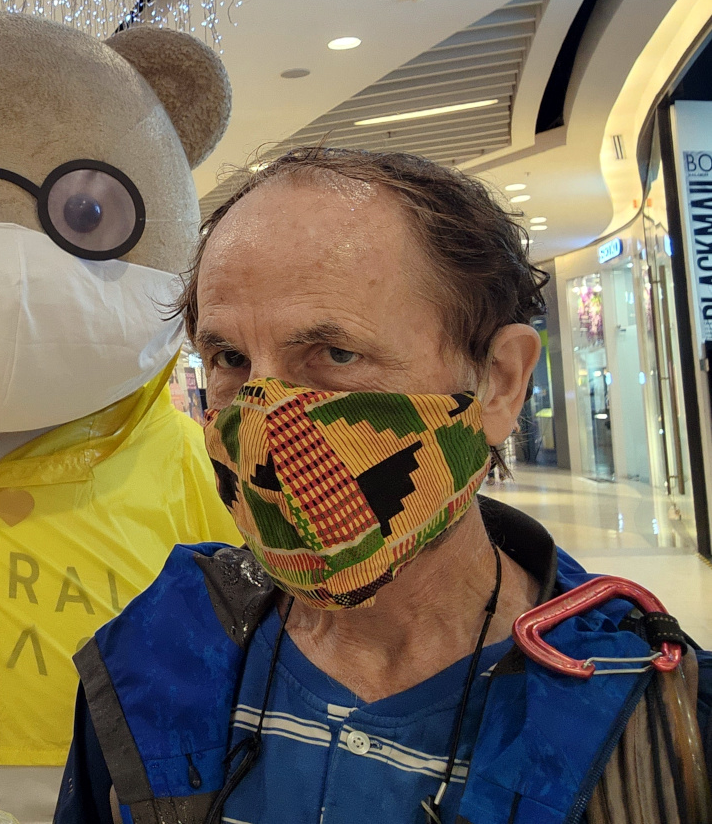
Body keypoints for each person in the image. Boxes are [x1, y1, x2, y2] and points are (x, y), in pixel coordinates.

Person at [55, 147, 712, 824]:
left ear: (501, 383)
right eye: (229, 358)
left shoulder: (654, 710)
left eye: (335, 354)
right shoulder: (151, 649)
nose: (264, 421)